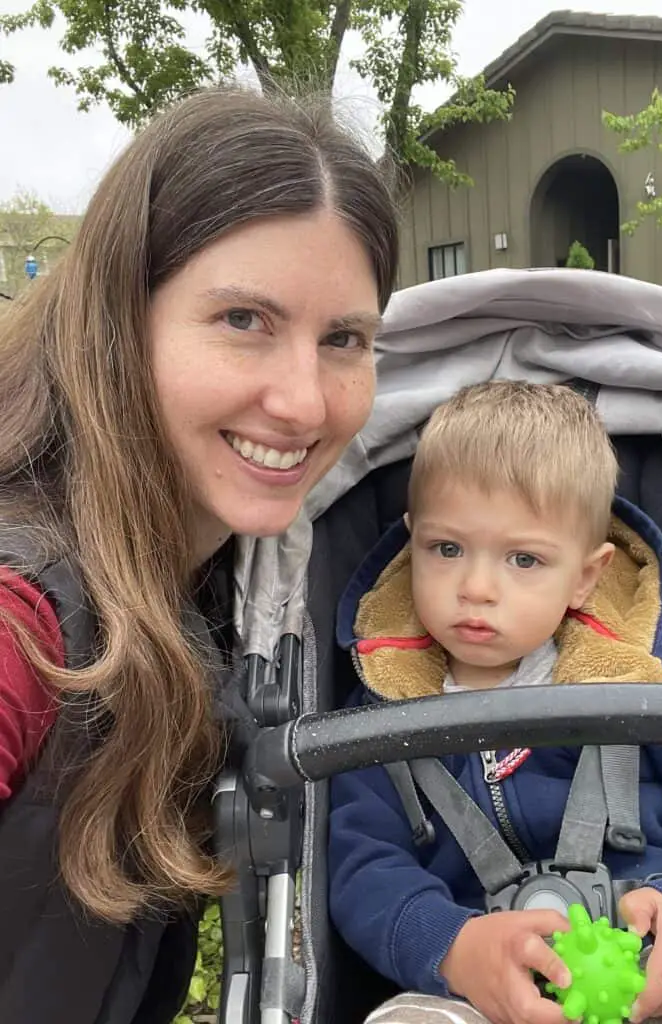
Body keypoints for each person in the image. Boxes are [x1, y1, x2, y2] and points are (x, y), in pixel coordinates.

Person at [0, 85, 398, 1022]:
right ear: (119, 322)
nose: (304, 402)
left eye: (343, 338)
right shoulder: (25, 625)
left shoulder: (210, 591)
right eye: (244, 320)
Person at [329, 381, 662, 1024]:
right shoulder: (378, 713)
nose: (477, 587)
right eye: (447, 549)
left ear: (586, 576)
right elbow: (362, 865)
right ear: (410, 542)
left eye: (524, 559)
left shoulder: (641, 675)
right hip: (485, 989)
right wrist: (450, 947)